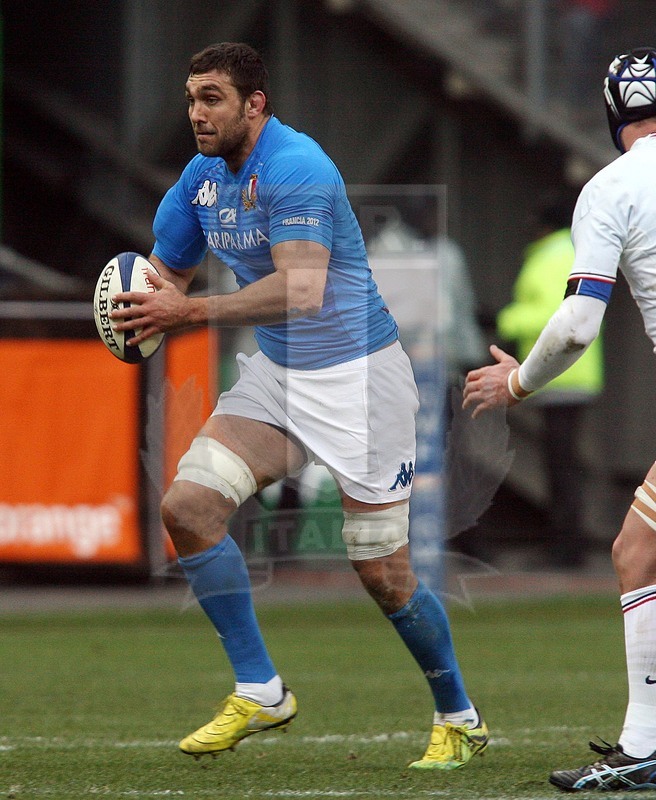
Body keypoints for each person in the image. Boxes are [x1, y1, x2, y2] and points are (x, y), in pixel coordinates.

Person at [109, 42, 488, 770]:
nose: (196, 112)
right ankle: (261, 689)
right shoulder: (199, 182)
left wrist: (186, 313)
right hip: (282, 376)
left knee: (381, 571)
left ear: (255, 104)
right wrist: (130, 309)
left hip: (362, 383)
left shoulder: (298, 167)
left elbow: (302, 291)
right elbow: (161, 276)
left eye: (212, 97)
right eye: (191, 97)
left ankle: (458, 713)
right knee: (187, 508)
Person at [463, 47, 656, 791]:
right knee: (639, 549)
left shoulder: (609, 189)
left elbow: (577, 324)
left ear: (613, 114)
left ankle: (645, 751)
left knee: (639, 551)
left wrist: (516, 383)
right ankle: (643, 743)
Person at [496, 193, 604, 569]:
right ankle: (564, 545)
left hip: (563, 375)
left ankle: (565, 550)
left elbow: (552, 314)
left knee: (561, 468)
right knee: (563, 466)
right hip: (569, 375)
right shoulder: (566, 250)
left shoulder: (552, 256)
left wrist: (504, 320)